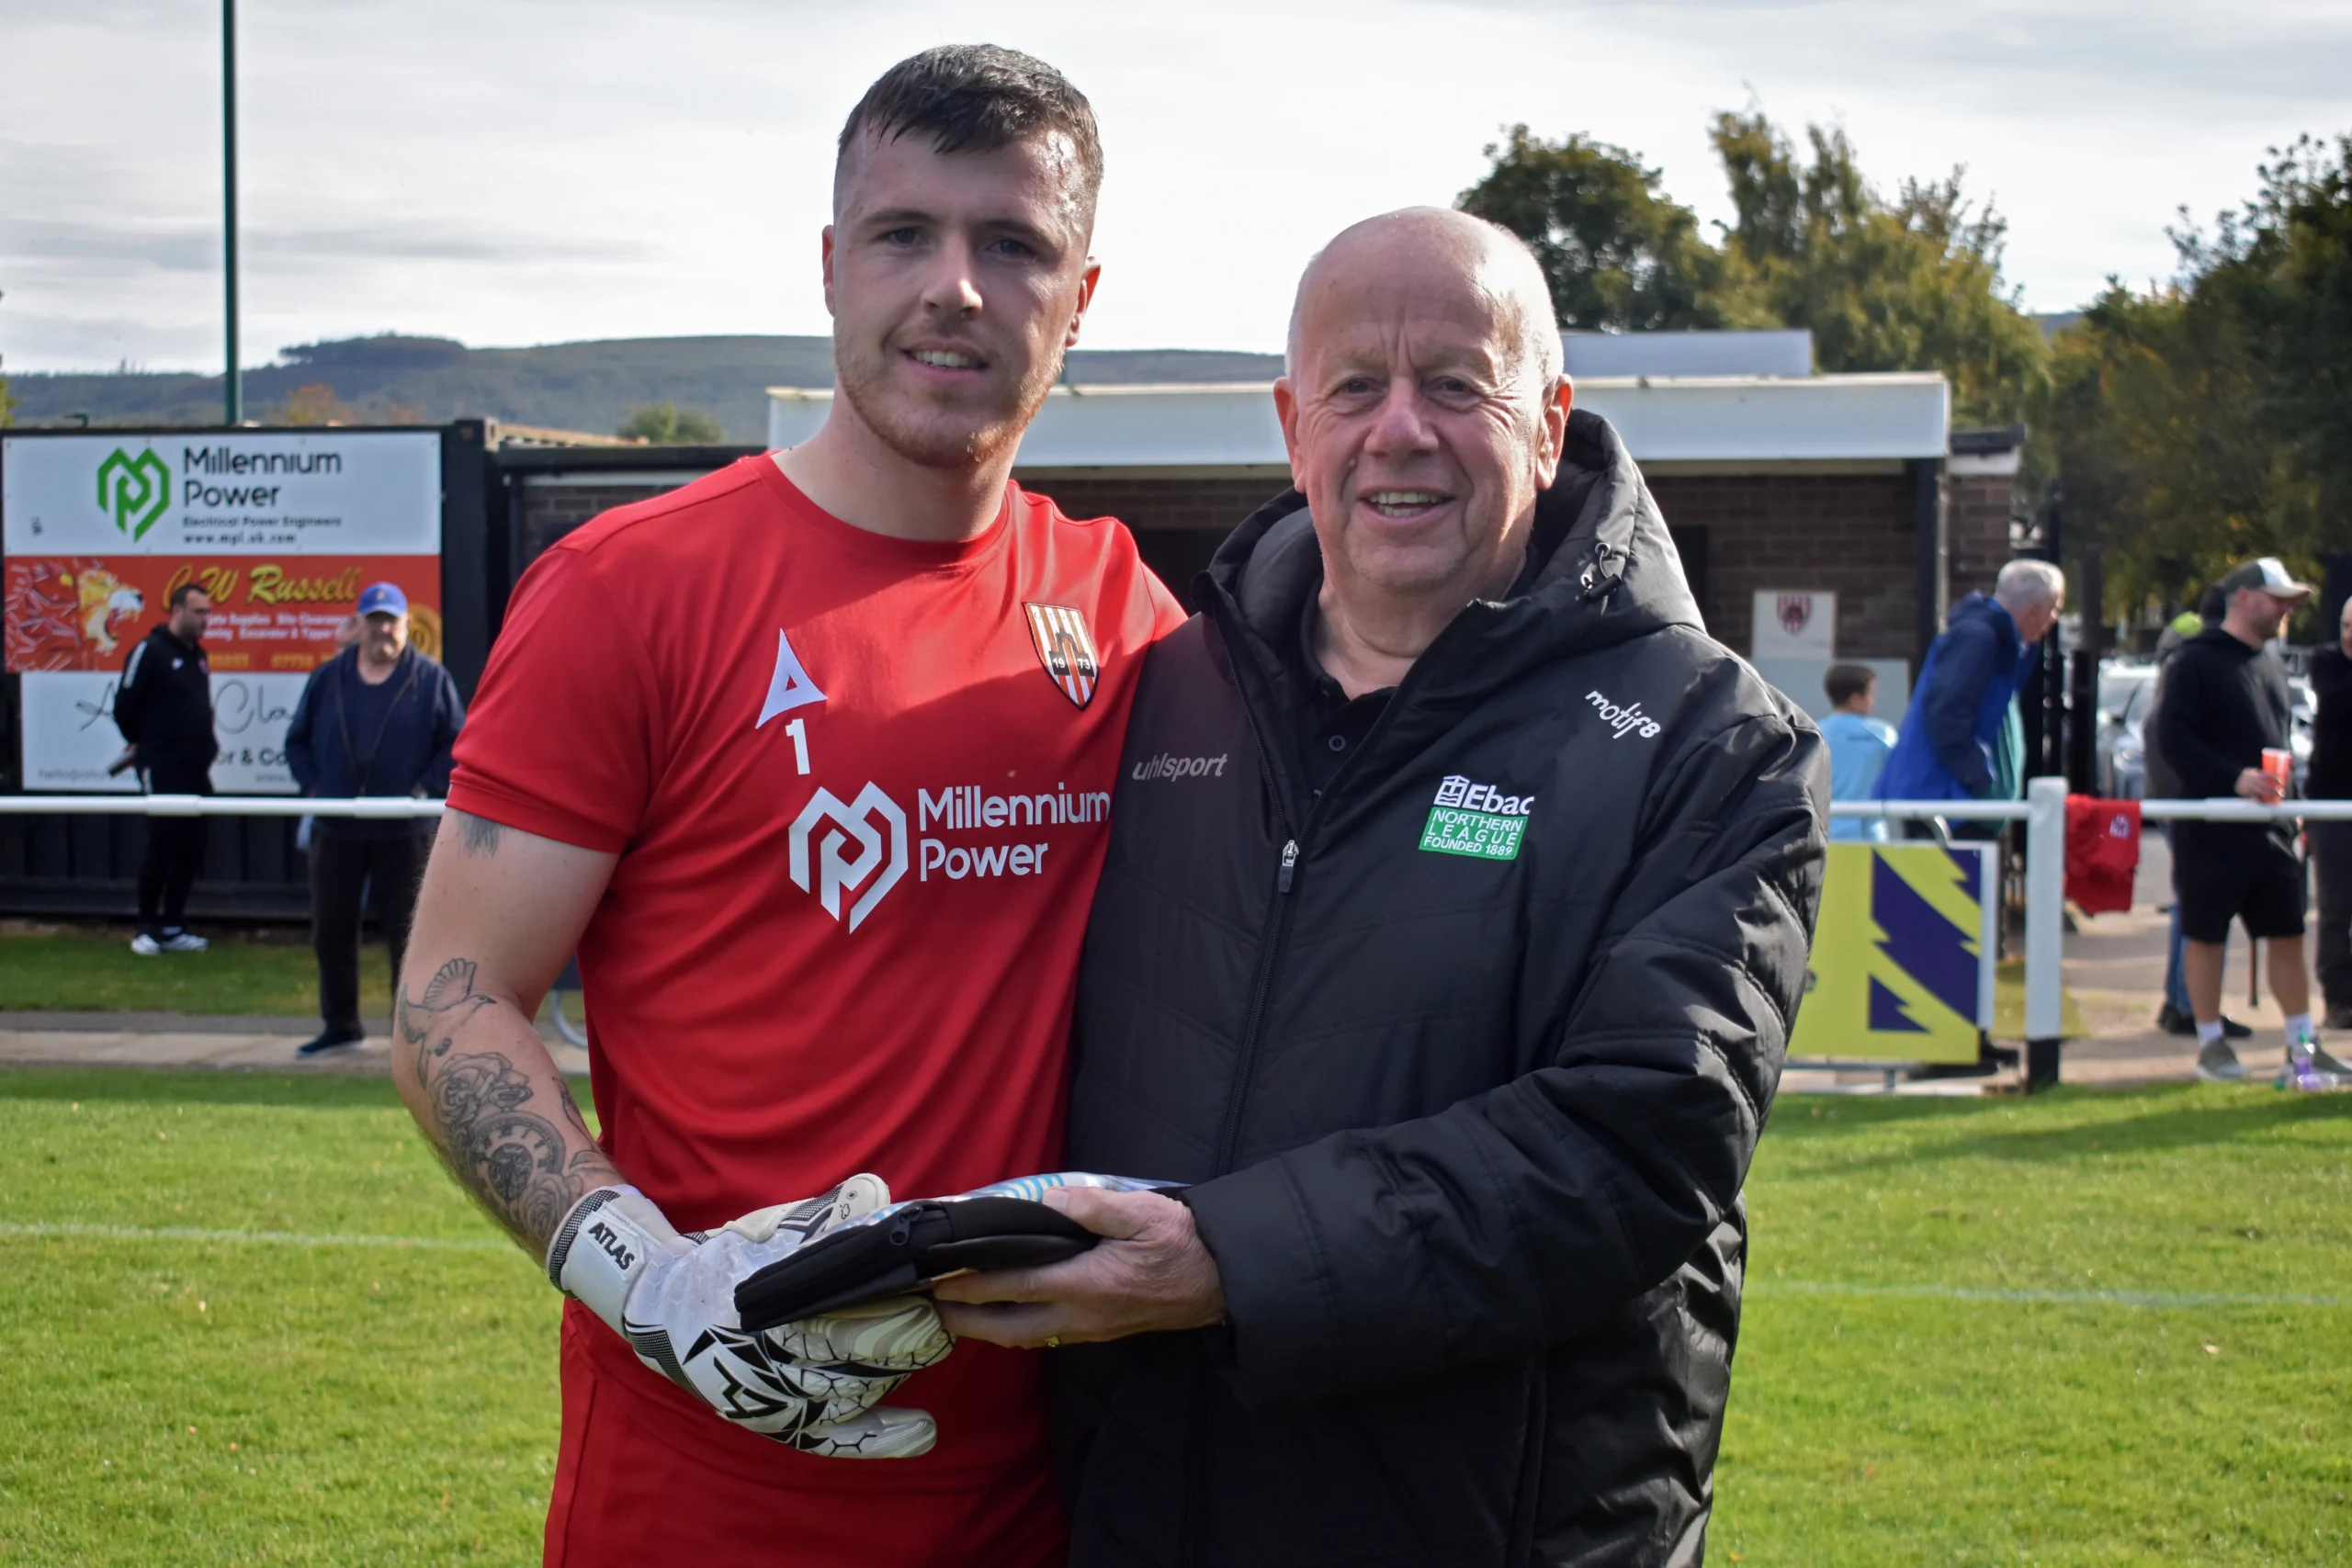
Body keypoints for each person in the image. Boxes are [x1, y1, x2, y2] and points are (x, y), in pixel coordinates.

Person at [933, 209, 1827, 1565]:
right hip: (1139, 1509)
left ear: (1548, 417)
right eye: (1355, 386)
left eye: (1457, 383)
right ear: (1293, 425)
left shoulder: (1710, 739)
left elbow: (1642, 1141)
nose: (1398, 429)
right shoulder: (1170, 690)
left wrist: (1228, 1258)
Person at [390, 47, 1182, 1568]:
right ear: (830, 268)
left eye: (1013, 244)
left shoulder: (1120, 609)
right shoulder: (632, 590)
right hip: (701, 1489)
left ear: (1082, 299)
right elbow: (450, 998)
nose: (955, 285)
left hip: (1049, 1493)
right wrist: (653, 1283)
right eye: (905, 234)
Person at [2155, 557, 2351, 1087]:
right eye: (2279, 598)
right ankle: (2210, 1047)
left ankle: (2302, 1049)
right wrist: (2233, 778)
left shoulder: (2268, 662)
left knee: (2288, 933)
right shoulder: (2193, 661)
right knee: (2206, 936)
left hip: (2273, 827)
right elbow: (2172, 739)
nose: (2288, 609)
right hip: (2211, 825)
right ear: (2244, 597)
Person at [284, 583, 465, 1056]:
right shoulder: (328, 679)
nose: (382, 629)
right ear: (358, 624)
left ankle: (407, 1037)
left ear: (406, 625)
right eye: (374, 619)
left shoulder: (430, 679)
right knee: (332, 929)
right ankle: (340, 1025)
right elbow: (297, 741)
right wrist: (315, 787)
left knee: (408, 935)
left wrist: (422, 786)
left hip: (404, 830)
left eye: (391, 620)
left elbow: (457, 744)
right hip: (337, 826)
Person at [1878, 559, 2064, 817]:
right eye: (2054, 609)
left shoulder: (1994, 639)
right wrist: (1980, 778)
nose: (2054, 619)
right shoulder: (1978, 638)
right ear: (2033, 609)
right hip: (1947, 801)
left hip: (1953, 801)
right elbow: (1945, 713)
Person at [2147, 587, 2248, 1038]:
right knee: (2200, 908)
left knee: (2190, 905)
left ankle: (2179, 1001)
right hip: (2190, 801)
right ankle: (2189, 1004)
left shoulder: (2178, 659)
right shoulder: (2199, 665)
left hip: (2177, 797)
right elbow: (2171, 737)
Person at [115, 582, 217, 955]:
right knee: (162, 843)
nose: (206, 619)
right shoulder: (150, 651)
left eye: (208, 612)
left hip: (196, 771)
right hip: (161, 767)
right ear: (176, 610)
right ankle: (146, 926)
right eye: (199, 611)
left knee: (192, 847)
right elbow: (124, 706)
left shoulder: (198, 656)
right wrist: (144, 741)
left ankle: (174, 924)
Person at [2306, 592, 2352, 1029]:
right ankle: (2339, 998)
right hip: (2333, 800)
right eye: (2345, 626)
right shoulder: (2326, 663)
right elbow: (2337, 702)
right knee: (2336, 905)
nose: (2349, 636)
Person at [1822, 662, 1897, 841]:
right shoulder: (1882, 733)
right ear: (1856, 699)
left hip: (1825, 834)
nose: (1873, 701)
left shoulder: (1814, 733)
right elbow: (1899, 777)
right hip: (1870, 835)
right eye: (1871, 695)